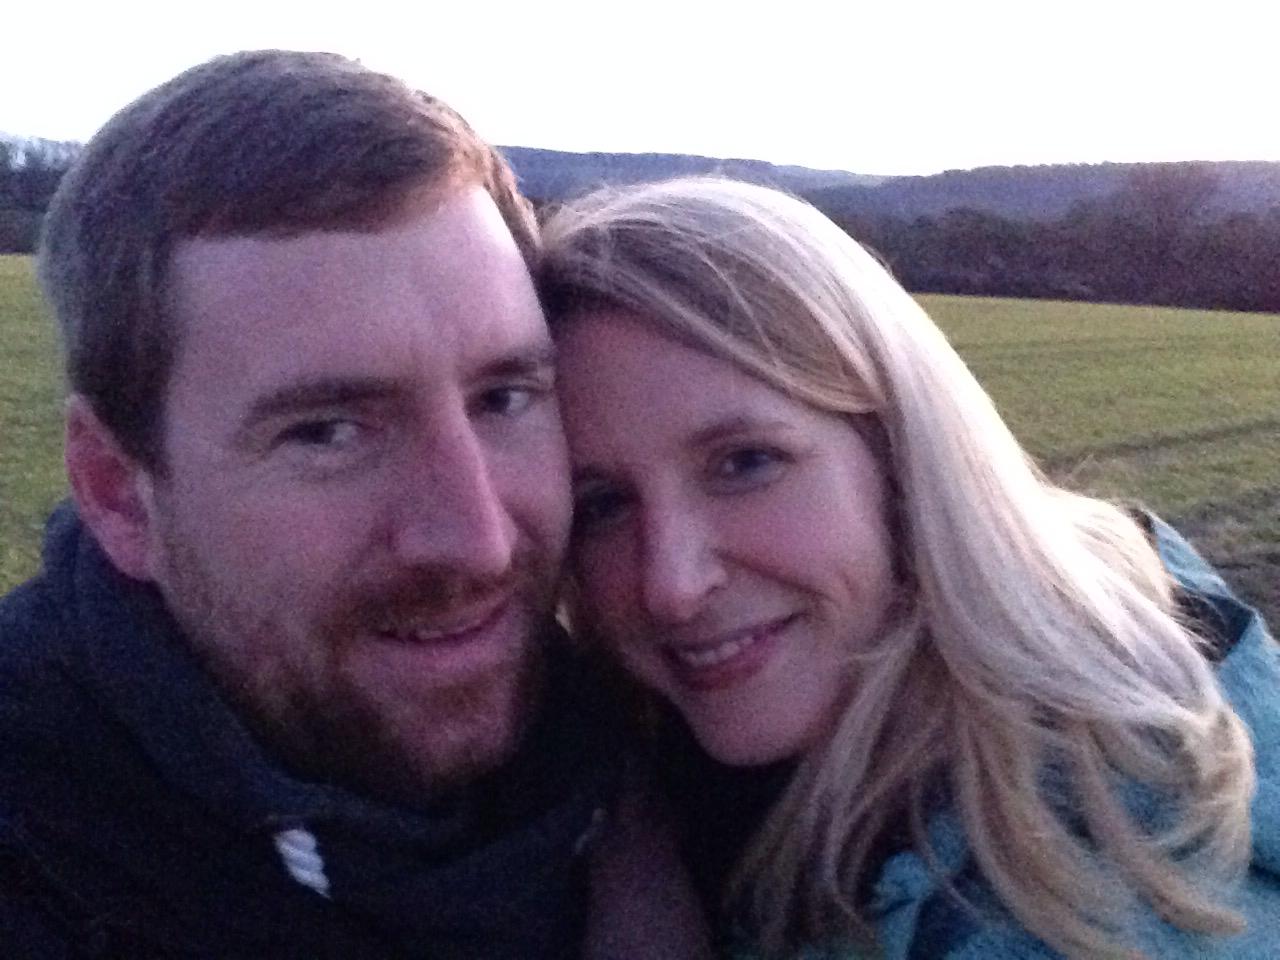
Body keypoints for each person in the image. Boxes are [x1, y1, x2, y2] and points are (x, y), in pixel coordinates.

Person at [0, 50, 704, 959]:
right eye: (328, 432)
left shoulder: (697, 759)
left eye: (503, 397)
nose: (480, 542)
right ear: (119, 492)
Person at [538, 176, 1280, 959]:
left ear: (902, 456)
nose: (671, 586)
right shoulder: (683, 789)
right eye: (602, 505)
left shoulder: (1050, 925)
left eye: (745, 462)